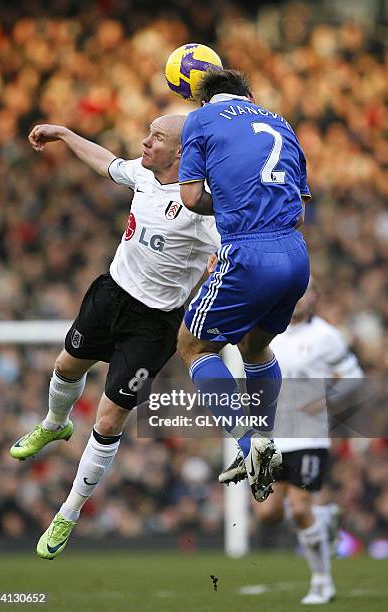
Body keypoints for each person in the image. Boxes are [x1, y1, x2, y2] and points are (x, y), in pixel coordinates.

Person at [10, 116, 220, 559]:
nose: (145, 141)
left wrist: (216, 269)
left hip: (154, 325)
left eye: (157, 137)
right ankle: (54, 425)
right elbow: (106, 163)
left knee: (108, 421)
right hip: (111, 296)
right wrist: (66, 135)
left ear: (182, 152)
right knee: (66, 366)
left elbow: (229, 250)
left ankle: (68, 511)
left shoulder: (203, 209)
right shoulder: (144, 173)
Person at [177, 69, 311, 503]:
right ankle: (265, 439)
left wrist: (233, 198)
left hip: (248, 253)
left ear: (205, 100)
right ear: (249, 95)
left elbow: (192, 197)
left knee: (194, 346)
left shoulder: (200, 120)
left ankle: (246, 441)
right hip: (295, 254)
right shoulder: (281, 121)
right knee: (255, 347)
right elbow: (299, 209)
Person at [219, 280, 364, 605]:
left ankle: (322, 582)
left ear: (315, 296)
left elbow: (353, 377)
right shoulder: (266, 331)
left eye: (308, 292)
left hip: (309, 435)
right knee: (268, 513)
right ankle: (324, 518)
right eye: (296, 293)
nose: (301, 299)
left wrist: (326, 397)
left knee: (299, 509)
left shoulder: (325, 336)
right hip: (272, 437)